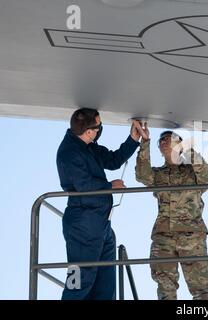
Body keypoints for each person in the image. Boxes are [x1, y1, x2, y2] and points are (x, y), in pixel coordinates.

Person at [56, 108, 142, 300]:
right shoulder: (69, 153)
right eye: (98, 127)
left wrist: (133, 140)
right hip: (82, 225)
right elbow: (84, 186)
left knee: (106, 282)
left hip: (101, 224)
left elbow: (112, 160)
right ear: (89, 131)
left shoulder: (87, 145)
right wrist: (110, 185)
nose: (99, 130)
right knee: (79, 279)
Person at [135, 123, 208, 300]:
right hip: (164, 237)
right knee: (165, 286)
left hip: (191, 236)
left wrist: (187, 149)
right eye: (161, 140)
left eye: (169, 138)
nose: (164, 141)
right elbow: (142, 175)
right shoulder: (158, 175)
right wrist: (145, 142)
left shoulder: (192, 172)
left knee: (200, 285)